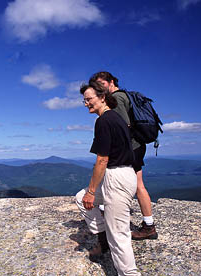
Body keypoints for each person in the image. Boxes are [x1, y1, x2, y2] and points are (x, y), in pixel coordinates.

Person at [75, 84, 141, 276]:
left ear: (102, 97)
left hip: (116, 178)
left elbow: (102, 159)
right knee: (81, 198)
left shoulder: (104, 121)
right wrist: (89, 194)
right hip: (124, 175)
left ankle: (129, 273)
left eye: (89, 99)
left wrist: (92, 190)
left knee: (119, 236)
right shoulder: (117, 118)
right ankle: (103, 240)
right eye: (84, 100)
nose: (86, 103)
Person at [89, 71, 158, 240]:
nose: (100, 88)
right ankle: (148, 224)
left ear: (111, 82)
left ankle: (148, 226)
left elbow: (122, 125)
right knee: (137, 184)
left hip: (131, 147)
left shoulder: (117, 98)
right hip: (136, 146)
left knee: (137, 185)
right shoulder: (126, 96)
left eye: (102, 84)